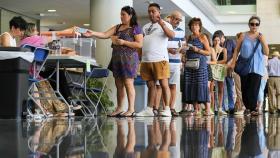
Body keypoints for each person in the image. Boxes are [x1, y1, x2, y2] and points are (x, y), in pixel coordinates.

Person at [83, 6, 143, 117]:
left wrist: (124, 42)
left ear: (130, 16)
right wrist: (92, 33)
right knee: (118, 84)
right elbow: (105, 34)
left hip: (129, 60)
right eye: (120, 14)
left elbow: (139, 44)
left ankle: (131, 109)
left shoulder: (136, 28)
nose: (121, 16)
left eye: (123, 14)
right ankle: (120, 108)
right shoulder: (117, 27)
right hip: (117, 59)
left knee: (128, 83)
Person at [136, 3, 175, 117]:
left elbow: (171, 35)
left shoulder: (165, 24)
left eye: (153, 11)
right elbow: (141, 44)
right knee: (150, 85)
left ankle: (167, 108)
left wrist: (161, 23)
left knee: (164, 84)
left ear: (159, 12)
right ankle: (149, 109)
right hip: (146, 60)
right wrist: (139, 58)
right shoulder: (145, 27)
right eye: (149, 11)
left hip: (160, 59)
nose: (151, 13)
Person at [229, 15, 269, 116]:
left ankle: (253, 109)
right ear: (249, 25)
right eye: (252, 24)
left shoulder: (261, 36)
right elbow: (236, 50)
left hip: (257, 67)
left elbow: (266, 52)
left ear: (258, 25)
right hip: (244, 66)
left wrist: (263, 41)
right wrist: (233, 62)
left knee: (254, 89)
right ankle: (248, 107)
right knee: (245, 88)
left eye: (256, 24)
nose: (254, 26)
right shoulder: (243, 35)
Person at [154, 10, 185, 116]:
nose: (178, 22)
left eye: (179, 20)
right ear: (171, 17)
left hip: (176, 62)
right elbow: (158, 44)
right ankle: (156, 108)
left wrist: (180, 50)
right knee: (159, 86)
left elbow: (183, 46)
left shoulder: (181, 31)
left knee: (173, 85)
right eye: (176, 19)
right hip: (163, 60)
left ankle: (171, 108)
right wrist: (168, 50)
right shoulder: (162, 28)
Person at [182, 17, 211, 116]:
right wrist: (184, 54)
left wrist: (197, 50)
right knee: (191, 85)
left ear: (199, 27)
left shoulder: (203, 37)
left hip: (200, 64)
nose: (194, 27)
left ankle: (207, 109)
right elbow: (185, 51)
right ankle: (196, 109)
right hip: (190, 64)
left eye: (196, 25)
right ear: (190, 27)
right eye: (192, 25)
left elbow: (208, 52)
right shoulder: (188, 37)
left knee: (201, 84)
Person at [213, 30, 236, 115]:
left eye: (220, 39)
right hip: (219, 69)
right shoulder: (216, 46)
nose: (219, 41)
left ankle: (231, 107)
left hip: (228, 68)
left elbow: (235, 53)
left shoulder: (230, 42)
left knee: (230, 86)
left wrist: (230, 63)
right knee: (221, 88)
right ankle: (221, 107)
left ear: (223, 37)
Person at [212, 34, 228, 115]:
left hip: (220, 69)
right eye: (215, 40)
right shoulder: (211, 49)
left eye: (218, 40)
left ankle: (220, 107)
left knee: (221, 89)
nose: (216, 42)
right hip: (212, 69)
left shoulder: (224, 49)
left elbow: (225, 60)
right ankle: (212, 107)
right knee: (211, 89)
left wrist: (216, 62)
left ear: (220, 41)